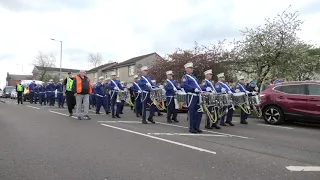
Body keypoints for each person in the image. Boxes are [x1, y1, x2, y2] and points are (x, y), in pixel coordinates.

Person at [181, 62, 203, 133]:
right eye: (190, 68)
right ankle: (191, 127)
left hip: (197, 96)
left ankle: (196, 127)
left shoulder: (194, 77)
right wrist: (193, 89)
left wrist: (200, 89)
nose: (192, 69)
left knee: (199, 111)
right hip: (191, 96)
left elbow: (196, 85)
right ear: (186, 69)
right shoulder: (185, 77)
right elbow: (184, 85)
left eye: (192, 68)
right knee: (192, 112)